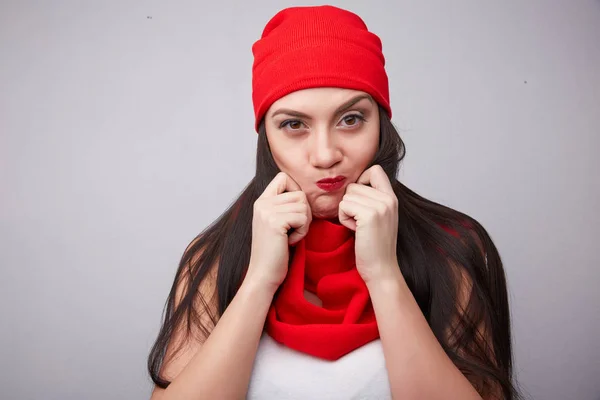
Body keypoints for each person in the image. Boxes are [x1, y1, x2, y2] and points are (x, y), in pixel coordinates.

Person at [148, 5, 521, 400]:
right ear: (266, 138)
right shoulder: (214, 256)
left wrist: (383, 274)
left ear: (381, 124)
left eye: (351, 119)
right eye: (294, 124)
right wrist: (259, 279)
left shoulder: (452, 246)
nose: (325, 154)